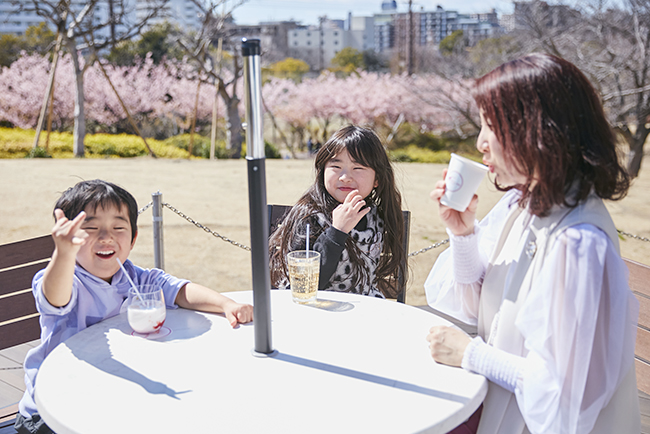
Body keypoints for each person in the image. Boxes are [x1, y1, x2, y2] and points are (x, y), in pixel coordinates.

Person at [425, 53, 640, 434]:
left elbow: (564, 403)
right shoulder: (524, 203)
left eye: (491, 127)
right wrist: (463, 235)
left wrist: (470, 354)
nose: (480, 143)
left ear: (537, 132)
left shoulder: (578, 243)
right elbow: (483, 310)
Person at [15, 180, 254, 434]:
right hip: (52, 409)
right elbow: (55, 297)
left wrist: (226, 304)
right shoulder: (68, 278)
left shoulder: (133, 277)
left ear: (133, 239)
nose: (105, 237)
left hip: (107, 396)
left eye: (118, 227)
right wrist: (63, 255)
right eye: (91, 228)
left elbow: (179, 290)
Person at [269, 125, 405, 298]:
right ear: (322, 171)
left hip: (364, 310)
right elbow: (305, 285)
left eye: (358, 168)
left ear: (377, 179)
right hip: (317, 309)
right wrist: (337, 232)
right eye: (336, 166)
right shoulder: (309, 217)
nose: (345, 177)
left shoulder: (375, 215)